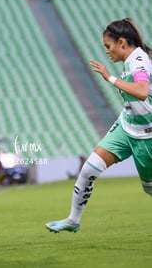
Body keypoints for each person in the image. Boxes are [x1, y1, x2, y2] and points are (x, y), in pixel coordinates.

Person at [46, 18, 152, 233]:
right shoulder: (131, 59)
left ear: (121, 42)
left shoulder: (139, 61)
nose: (106, 51)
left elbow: (141, 91)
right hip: (126, 126)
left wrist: (109, 78)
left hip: (146, 134)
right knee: (88, 169)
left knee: (149, 189)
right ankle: (73, 220)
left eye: (108, 45)